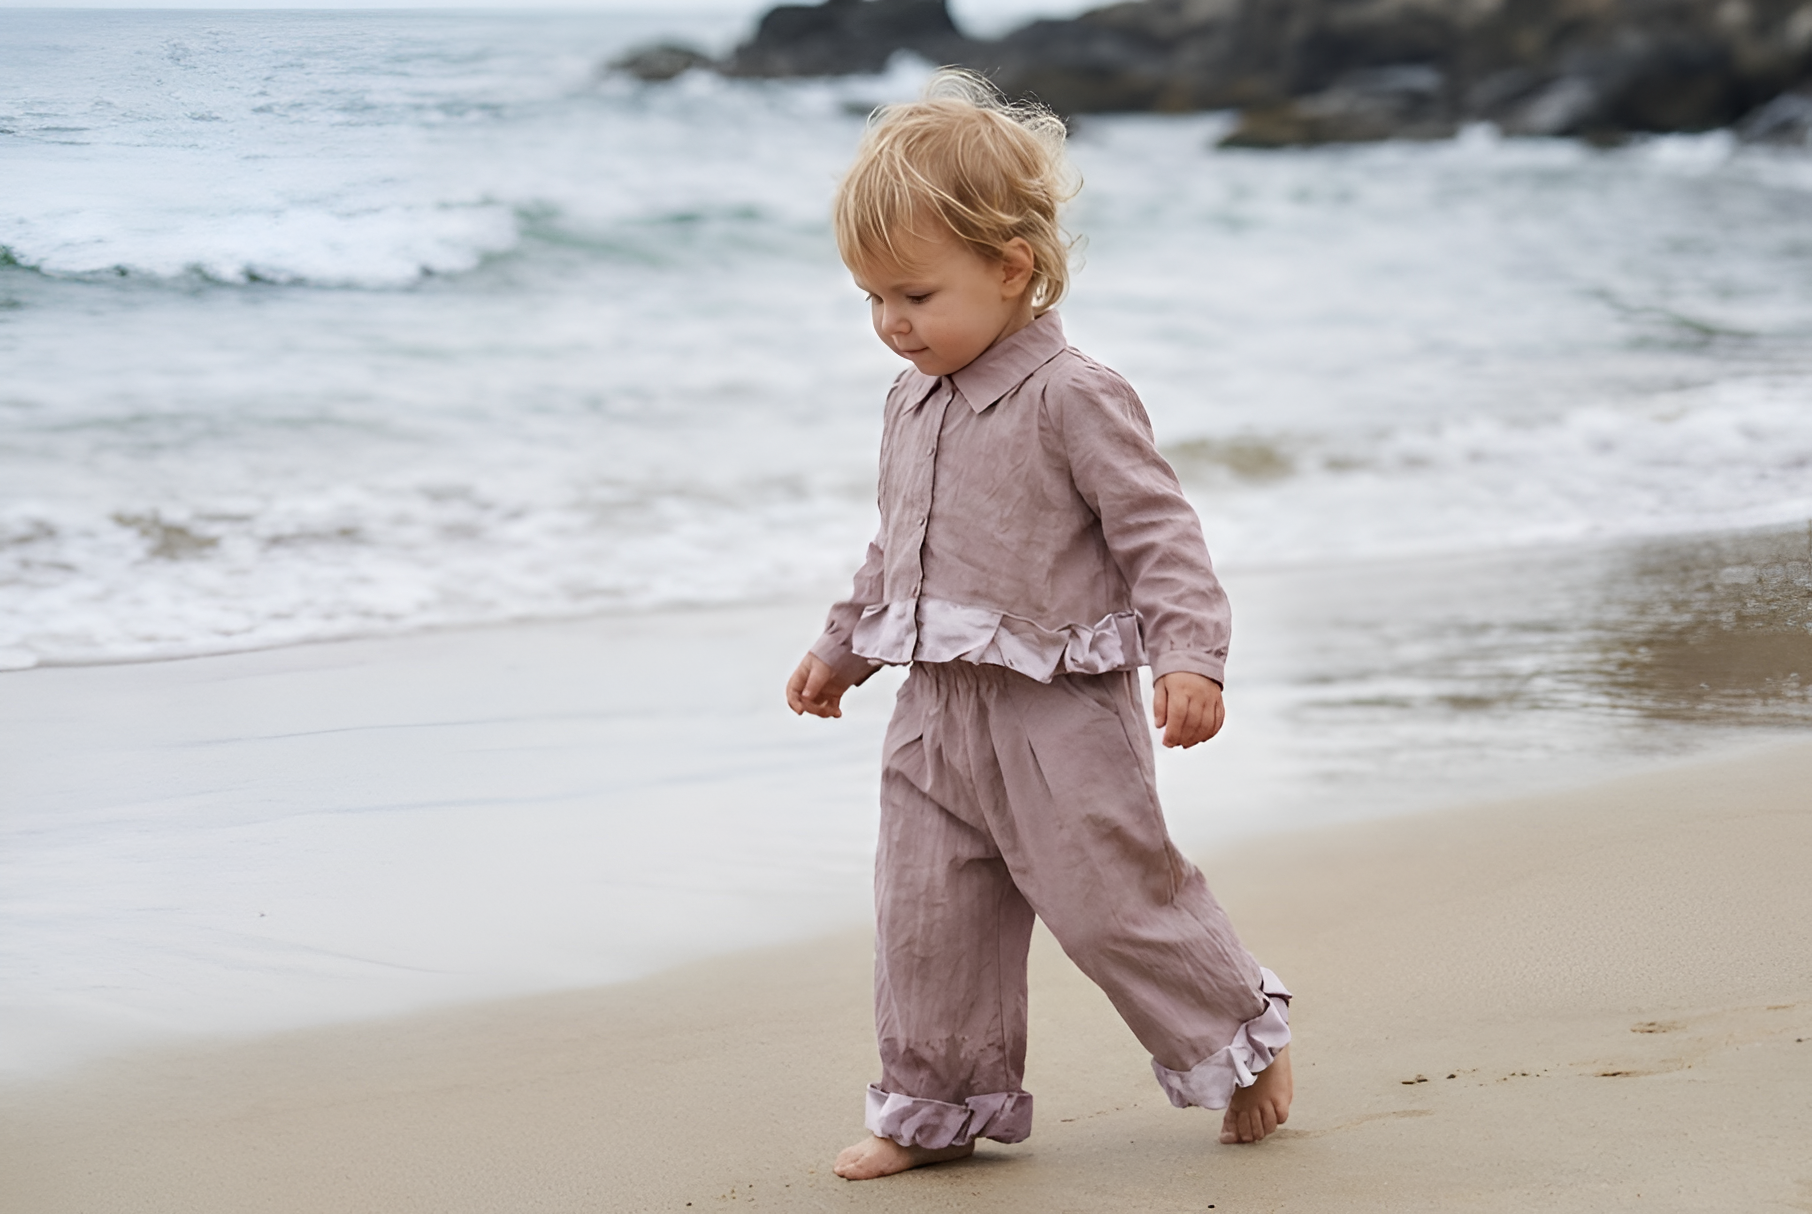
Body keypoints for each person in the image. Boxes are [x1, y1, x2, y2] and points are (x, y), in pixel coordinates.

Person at [785, 69, 1293, 1182]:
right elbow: (896, 548)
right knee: (928, 915)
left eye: (913, 295)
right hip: (933, 712)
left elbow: (1158, 529)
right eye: (870, 299)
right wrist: (843, 645)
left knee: (1113, 900)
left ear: (1010, 267)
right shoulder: (909, 401)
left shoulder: (1074, 392)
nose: (890, 324)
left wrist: (1190, 654)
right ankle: (934, 1103)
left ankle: (1238, 1034)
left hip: (1056, 712)